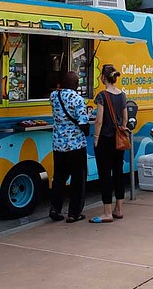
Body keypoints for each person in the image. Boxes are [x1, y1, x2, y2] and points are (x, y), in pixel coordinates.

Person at [90, 64, 128, 223]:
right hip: (119, 139)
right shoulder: (122, 94)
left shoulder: (102, 95)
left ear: (104, 78)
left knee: (105, 175)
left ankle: (107, 212)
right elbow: (125, 118)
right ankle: (118, 208)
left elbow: (99, 120)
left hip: (105, 139)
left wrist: (96, 138)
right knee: (118, 173)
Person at [49, 71, 88, 223]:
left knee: (59, 177)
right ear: (76, 85)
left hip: (58, 144)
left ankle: (55, 208)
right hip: (75, 145)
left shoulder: (54, 96)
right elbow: (83, 123)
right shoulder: (77, 99)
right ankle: (74, 213)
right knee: (78, 180)